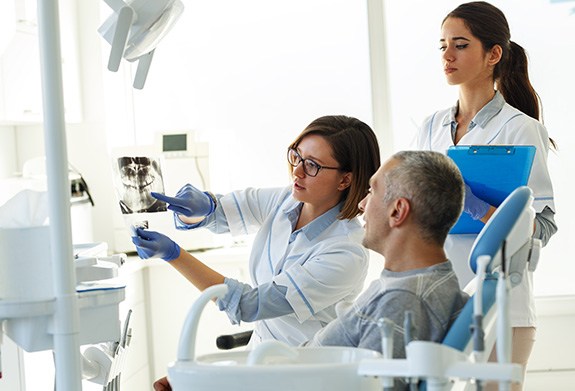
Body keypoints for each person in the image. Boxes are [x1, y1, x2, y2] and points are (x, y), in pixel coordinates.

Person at [132, 115, 381, 349]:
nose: (297, 171)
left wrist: (173, 254)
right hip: (263, 357)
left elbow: (249, 305)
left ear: (345, 180)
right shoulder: (287, 200)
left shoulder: (346, 251)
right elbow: (221, 213)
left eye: (312, 165)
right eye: (297, 156)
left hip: (307, 368)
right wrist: (198, 208)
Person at [413, 2, 557, 388]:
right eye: (442, 45)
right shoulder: (430, 127)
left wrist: (475, 206)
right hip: (439, 301)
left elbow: (543, 224)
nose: (447, 55)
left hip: (502, 311)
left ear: (493, 54)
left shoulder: (520, 129)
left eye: (460, 45)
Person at [305, 150, 469, 390]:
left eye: (371, 191)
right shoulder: (410, 284)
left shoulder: (403, 300)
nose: (361, 204)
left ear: (398, 211)